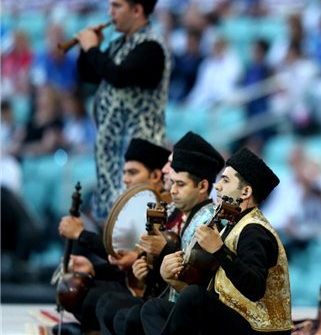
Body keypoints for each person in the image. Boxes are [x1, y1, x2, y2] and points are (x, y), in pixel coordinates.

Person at [141, 148, 292, 335]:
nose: (218, 186)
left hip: (259, 329)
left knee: (194, 297)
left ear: (245, 192)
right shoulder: (234, 222)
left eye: (225, 180)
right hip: (234, 319)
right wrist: (173, 279)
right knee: (153, 309)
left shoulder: (254, 230)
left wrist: (219, 249)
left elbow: (255, 289)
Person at [100, 131, 224, 335]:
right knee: (112, 306)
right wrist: (146, 271)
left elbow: (195, 278)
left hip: (193, 310)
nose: (173, 190)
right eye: (173, 183)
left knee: (136, 314)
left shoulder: (208, 220)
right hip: (169, 299)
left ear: (202, 186)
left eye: (180, 184)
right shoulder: (181, 213)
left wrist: (165, 250)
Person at [75, 0, 170, 219]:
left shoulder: (151, 47)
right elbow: (90, 76)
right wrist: (87, 50)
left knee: (134, 223)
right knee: (111, 229)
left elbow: (118, 76)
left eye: (117, 6)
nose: (110, 13)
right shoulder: (119, 44)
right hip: (114, 155)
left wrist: (92, 49)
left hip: (140, 153)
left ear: (137, 10)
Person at [56, 138, 170, 334]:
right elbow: (123, 262)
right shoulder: (138, 204)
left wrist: (80, 234)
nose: (126, 179)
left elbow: (123, 254)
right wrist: (93, 269)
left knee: (95, 299)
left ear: (155, 175)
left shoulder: (162, 210)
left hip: (149, 292)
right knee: (77, 288)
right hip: (127, 281)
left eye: (133, 172)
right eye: (125, 172)